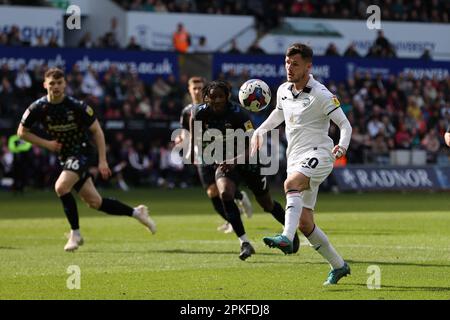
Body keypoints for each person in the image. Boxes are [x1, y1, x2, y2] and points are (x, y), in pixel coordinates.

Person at [17, 68, 157, 252]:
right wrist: (47, 144)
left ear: (65, 84)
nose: (56, 87)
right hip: (65, 157)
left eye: (59, 83)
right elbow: (22, 132)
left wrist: (102, 161)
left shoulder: (76, 106)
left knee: (61, 187)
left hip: (83, 151)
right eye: (52, 83)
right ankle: (136, 213)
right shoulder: (37, 108)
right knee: (95, 202)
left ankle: (75, 233)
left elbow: (97, 131)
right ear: (45, 85)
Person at [251, 43, 352, 285]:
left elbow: (345, 125)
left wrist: (342, 146)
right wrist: (261, 130)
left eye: (295, 64)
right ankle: (339, 266)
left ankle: (286, 236)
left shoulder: (321, 94)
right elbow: (278, 113)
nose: (289, 68)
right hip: (296, 157)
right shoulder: (284, 90)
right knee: (306, 223)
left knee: (290, 184)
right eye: (287, 63)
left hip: (321, 152)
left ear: (308, 66)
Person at [190, 80, 299, 261]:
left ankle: (290, 231)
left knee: (266, 204)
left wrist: (235, 160)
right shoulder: (199, 113)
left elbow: (254, 144)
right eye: (212, 97)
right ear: (206, 97)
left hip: (249, 161)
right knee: (225, 193)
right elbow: (196, 138)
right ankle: (244, 242)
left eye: (220, 97)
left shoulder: (238, 115)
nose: (216, 100)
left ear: (227, 97)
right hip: (225, 163)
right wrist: (210, 154)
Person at [177, 76, 252, 234]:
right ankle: (233, 214)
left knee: (222, 186)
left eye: (199, 88)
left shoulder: (216, 107)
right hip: (201, 155)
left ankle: (237, 201)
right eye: (194, 88)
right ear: (189, 90)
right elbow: (185, 132)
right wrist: (182, 141)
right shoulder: (187, 112)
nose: (197, 91)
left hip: (218, 152)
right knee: (212, 191)